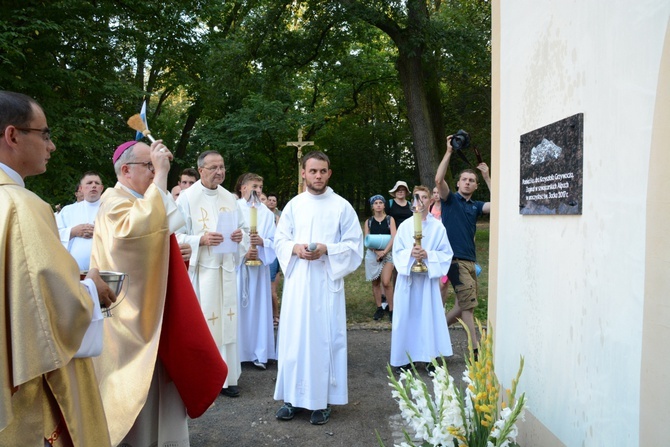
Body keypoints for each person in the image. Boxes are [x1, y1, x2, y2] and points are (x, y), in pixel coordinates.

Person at [91, 140, 227, 446]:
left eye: (156, 166)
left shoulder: (137, 200)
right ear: (125, 170)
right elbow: (134, 236)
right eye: (149, 165)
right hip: (132, 323)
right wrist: (164, 176)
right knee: (140, 401)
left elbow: (158, 231)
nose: (155, 171)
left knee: (165, 398)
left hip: (154, 312)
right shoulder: (114, 201)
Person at [0, 90, 115, 446]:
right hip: (26, 391)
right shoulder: (20, 206)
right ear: (13, 136)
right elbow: (49, 306)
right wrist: (92, 288)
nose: (51, 146)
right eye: (45, 134)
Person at [274, 151, 363, 426]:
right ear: (303, 173)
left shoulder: (341, 206)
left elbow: (354, 245)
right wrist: (294, 249)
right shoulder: (294, 205)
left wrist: (328, 249)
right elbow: (280, 238)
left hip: (326, 282)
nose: (318, 176)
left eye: (323, 171)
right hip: (299, 282)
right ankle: (291, 398)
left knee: (324, 339)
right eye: (313, 171)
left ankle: (322, 401)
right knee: (294, 337)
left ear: (329, 173)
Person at [176, 150, 249, 398]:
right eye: (214, 167)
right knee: (205, 323)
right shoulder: (187, 198)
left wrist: (241, 237)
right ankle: (206, 377)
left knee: (228, 321)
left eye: (222, 166)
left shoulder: (230, 198)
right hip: (203, 272)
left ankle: (228, 377)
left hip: (226, 270)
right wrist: (201, 240)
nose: (220, 171)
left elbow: (244, 231)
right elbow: (175, 236)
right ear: (201, 171)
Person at [435, 134, 491, 352]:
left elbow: (499, 205)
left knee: (460, 306)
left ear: (476, 186)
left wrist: (486, 176)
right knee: (468, 306)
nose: (467, 182)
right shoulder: (450, 200)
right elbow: (439, 180)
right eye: (464, 179)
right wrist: (449, 152)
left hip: (470, 261)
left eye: (472, 180)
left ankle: (436, 330)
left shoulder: (476, 206)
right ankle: (476, 349)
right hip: (454, 260)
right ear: (458, 183)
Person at [390, 186, 453, 372]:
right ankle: (405, 357)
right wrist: (411, 252)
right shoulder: (405, 226)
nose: (422, 201)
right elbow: (397, 251)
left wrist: (428, 255)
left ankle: (429, 357)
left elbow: (446, 253)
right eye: (417, 197)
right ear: (413, 202)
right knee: (407, 318)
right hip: (408, 281)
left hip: (427, 282)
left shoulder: (438, 227)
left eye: (425, 197)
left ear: (430, 201)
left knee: (428, 317)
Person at [236, 173, 277, 370]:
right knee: (237, 310)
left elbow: (275, 242)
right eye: (254, 186)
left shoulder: (268, 215)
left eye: (260, 187)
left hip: (259, 270)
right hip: (239, 269)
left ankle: (259, 352)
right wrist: (244, 252)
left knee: (259, 310)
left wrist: (261, 244)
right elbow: (229, 237)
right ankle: (237, 352)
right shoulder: (233, 209)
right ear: (243, 188)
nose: (258, 191)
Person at [56, 171, 104, 270]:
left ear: (101, 188)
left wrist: (99, 232)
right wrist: (73, 231)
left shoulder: (111, 209)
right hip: (74, 271)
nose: (93, 186)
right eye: (89, 183)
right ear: (81, 189)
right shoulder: (68, 211)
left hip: (104, 268)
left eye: (97, 183)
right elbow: (52, 234)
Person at [363, 194, 396, 322]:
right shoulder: (368, 222)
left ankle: (392, 309)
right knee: (375, 282)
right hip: (373, 254)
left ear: (383, 205)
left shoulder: (390, 219)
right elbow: (367, 239)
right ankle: (379, 308)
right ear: (372, 206)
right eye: (375, 203)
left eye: (380, 203)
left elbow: (394, 236)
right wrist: (377, 252)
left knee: (386, 282)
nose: (378, 205)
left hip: (387, 254)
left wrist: (384, 252)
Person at [265, 192, 282, 326]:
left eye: (273, 200)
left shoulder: (279, 215)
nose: (271, 202)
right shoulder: (262, 214)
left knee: (272, 289)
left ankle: (276, 315)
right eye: (268, 200)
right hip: (262, 252)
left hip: (273, 254)